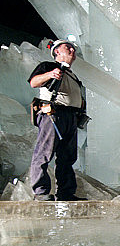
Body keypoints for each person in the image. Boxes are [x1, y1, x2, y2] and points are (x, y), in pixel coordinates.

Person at [28, 39, 87, 201]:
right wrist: (50, 74)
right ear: (57, 52)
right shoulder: (48, 66)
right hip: (52, 114)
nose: (72, 50)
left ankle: (66, 193)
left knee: (67, 157)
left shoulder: (72, 75)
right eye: (67, 47)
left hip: (70, 117)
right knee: (44, 152)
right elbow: (34, 82)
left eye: (73, 49)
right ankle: (40, 192)